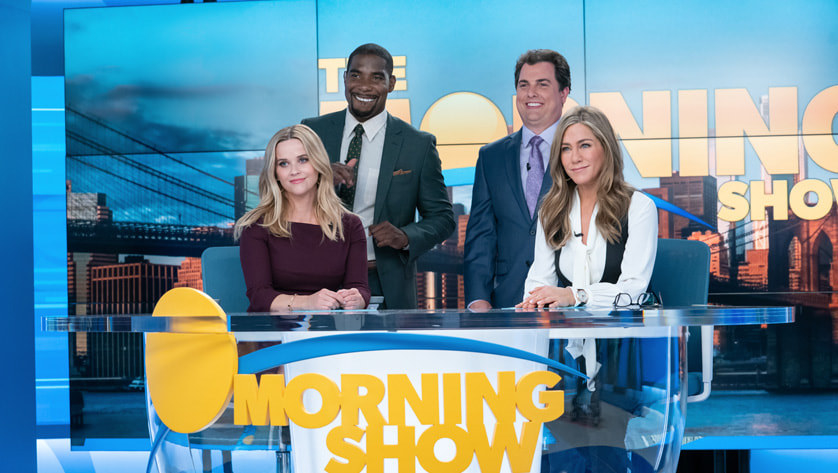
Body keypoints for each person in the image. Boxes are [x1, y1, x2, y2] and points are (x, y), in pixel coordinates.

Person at [302, 43, 454, 309]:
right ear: (345, 78)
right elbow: (282, 201)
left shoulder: (417, 144)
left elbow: (442, 218)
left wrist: (406, 237)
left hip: (384, 281)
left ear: (391, 83)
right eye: (356, 75)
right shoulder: (311, 132)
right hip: (315, 282)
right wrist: (320, 181)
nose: (364, 86)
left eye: (377, 77)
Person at [464, 49, 571, 310]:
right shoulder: (491, 157)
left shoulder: (580, 151)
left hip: (567, 303)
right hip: (507, 301)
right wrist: (478, 300)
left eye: (542, 84)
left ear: (563, 93)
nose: (531, 93)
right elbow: (481, 235)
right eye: (524, 85)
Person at [236, 124, 370, 312]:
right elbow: (259, 296)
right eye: (283, 163)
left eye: (303, 160)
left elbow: (360, 287)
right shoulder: (257, 226)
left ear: (318, 163)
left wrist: (358, 299)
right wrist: (307, 303)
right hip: (273, 332)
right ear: (275, 173)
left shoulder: (350, 225)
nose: (294, 171)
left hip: (327, 331)